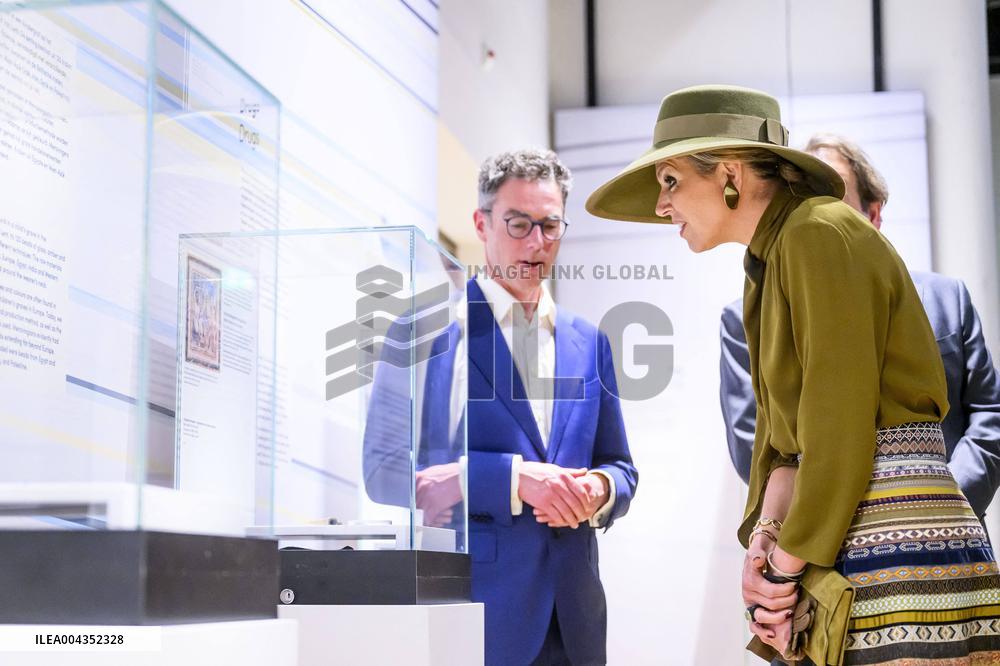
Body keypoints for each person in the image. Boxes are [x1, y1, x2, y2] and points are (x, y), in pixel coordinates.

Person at [586, 85, 1000, 663]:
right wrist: (766, 551)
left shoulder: (816, 233)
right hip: (855, 542)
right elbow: (785, 443)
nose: (662, 206)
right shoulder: (773, 257)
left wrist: (779, 573)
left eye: (671, 181)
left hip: (896, 549)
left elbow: (838, 431)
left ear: (729, 172)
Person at [719, 134, 1000, 525]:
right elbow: (755, 447)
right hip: (821, 550)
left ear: (874, 214)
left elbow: (990, 413)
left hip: (952, 534)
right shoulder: (744, 318)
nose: (815, 220)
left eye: (833, 203)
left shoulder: (946, 298)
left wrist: (939, 495)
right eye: (800, 205)